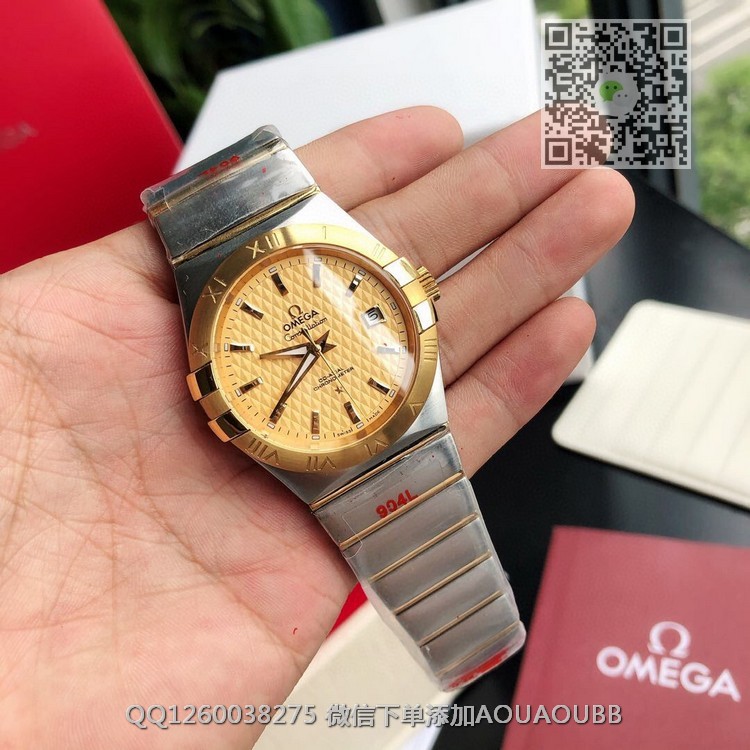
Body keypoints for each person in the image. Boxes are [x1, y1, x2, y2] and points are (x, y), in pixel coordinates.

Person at [0, 107, 633, 748]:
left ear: (410, 290)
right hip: (341, 449)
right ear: (213, 397)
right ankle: (475, 651)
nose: (311, 347)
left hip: (387, 414)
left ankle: (483, 645)